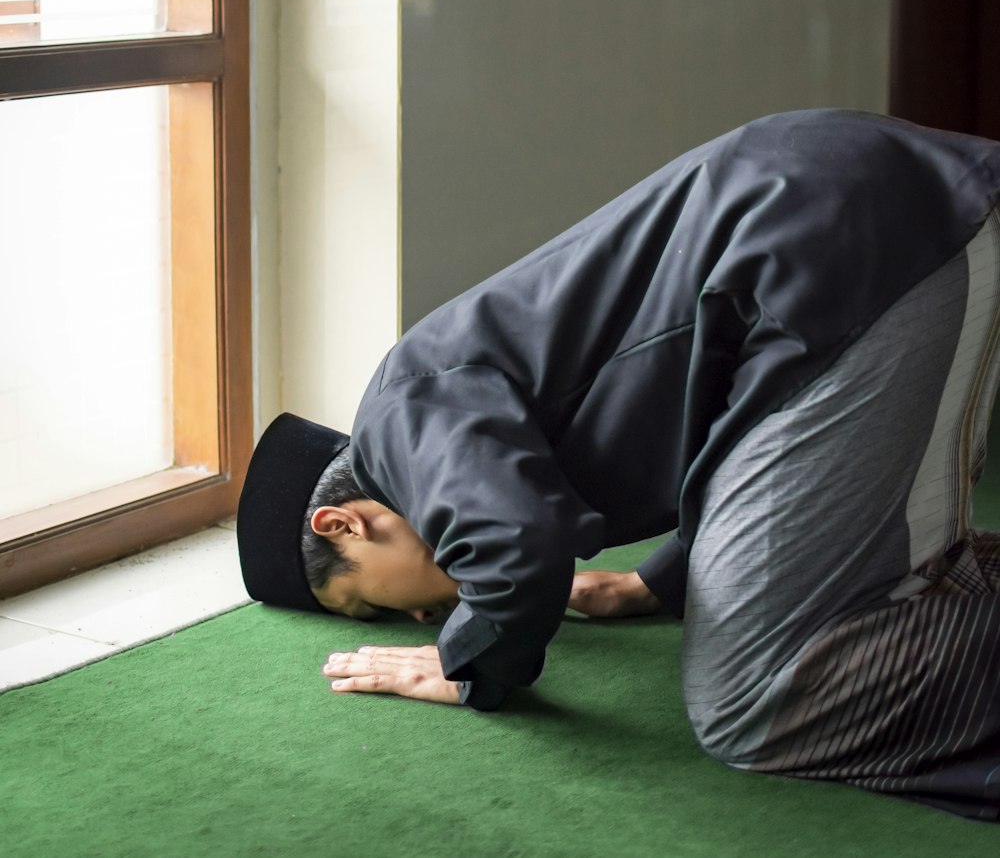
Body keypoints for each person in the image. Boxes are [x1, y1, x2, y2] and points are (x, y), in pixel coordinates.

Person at [237, 108, 1000, 821]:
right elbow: (719, 451)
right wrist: (653, 583)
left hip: (849, 251)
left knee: (750, 702)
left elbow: (519, 546)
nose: (412, 621)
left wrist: (467, 664)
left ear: (344, 523)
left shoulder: (395, 421)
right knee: (898, 570)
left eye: (369, 605)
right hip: (868, 230)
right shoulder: (423, 402)